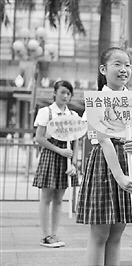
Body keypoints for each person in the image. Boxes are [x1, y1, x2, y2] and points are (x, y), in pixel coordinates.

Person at [76, 47, 132, 266]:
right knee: (99, 234)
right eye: (117, 64)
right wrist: (120, 177)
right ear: (103, 69)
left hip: (130, 163)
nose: (124, 69)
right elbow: (103, 140)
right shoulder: (97, 101)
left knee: (118, 233)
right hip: (106, 166)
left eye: (127, 64)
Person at [33, 80, 79, 248]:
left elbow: (76, 140)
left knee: (59, 198)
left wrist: (73, 162)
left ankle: (54, 233)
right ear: (55, 93)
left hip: (66, 159)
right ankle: (45, 235)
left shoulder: (74, 116)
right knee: (46, 198)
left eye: (68, 93)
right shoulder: (46, 112)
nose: (65, 96)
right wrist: (60, 151)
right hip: (51, 156)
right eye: (63, 92)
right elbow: (39, 138)